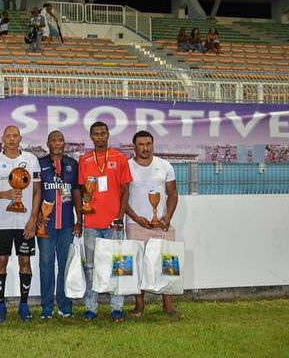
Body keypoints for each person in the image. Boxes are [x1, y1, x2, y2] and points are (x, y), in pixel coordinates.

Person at [0, 125, 41, 323]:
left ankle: (24, 305)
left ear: (20, 138)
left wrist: (33, 218)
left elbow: (37, 192)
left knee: (25, 262)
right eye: (8, 136)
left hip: (25, 222)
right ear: (3, 138)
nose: (12, 139)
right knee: (1, 261)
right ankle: (1, 304)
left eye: (15, 136)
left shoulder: (31, 160)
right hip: (1, 223)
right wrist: (5, 195)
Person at [125, 130, 183, 319]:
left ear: (152, 145)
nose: (145, 148)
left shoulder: (164, 165)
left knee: (166, 264)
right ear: (134, 146)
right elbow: (122, 198)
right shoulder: (127, 167)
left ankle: (168, 306)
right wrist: (136, 217)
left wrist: (167, 217)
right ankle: (139, 306)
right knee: (138, 265)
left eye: (148, 144)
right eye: (141, 144)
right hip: (136, 224)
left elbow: (173, 194)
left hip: (161, 225)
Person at [79, 121, 132, 323]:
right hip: (91, 222)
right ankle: (91, 308)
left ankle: (116, 307)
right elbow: (83, 190)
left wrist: (120, 217)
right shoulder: (84, 160)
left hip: (114, 223)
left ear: (108, 135)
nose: (100, 137)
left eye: (103, 133)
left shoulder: (119, 158)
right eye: (96, 134)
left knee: (117, 266)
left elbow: (126, 191)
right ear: (91, 137)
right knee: (91, 267)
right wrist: (85, 199)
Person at [37, 130, 83, 319]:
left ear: (64, 143)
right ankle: (47, 306)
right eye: (54, 140)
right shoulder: (40, 164)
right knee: (46, 265)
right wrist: (37, 215)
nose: (57, 143)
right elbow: (36, 192)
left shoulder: (73, 164)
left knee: (65, 264)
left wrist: (80, 220)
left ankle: (65, 304)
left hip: (66, 224)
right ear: (48, 143)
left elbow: (77, 194)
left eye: (61, 140)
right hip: (45, 225)